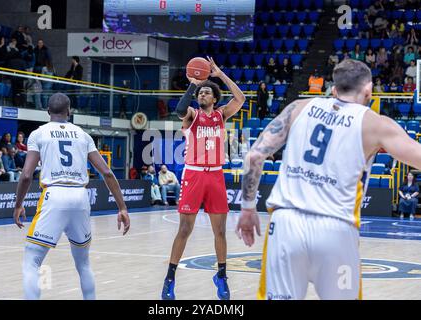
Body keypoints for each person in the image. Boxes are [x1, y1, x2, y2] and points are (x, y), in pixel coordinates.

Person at [236, 59, 421, 300]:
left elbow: (253, 156)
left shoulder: (298, 108)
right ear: (369, 89)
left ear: (334, 88)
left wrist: (248, 208)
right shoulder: (375, 124)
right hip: (336, 229)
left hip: (286, 225)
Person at [13, 93, 130, 300]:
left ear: (47, 112)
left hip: (54, 194)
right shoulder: (83, 135)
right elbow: (108, 173)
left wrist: (18, 205)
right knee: (83, 263)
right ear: (70, 112)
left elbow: (26, 175)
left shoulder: (38, 134)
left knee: (31, 260)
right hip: (80, 196)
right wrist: (122, 208)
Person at [161, 57, 245, 300]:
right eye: (200, 93)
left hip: (216, 175)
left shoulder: (221, 115)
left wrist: (219, 74)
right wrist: (193, 84)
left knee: (219, 231)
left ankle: (222, 276)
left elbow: (240, 99)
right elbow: (178, 110)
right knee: (185, 229)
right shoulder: (192, 116)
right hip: (194, 175)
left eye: (206, 92)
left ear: (215, 98)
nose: (202, 95)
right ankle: (169, 279)